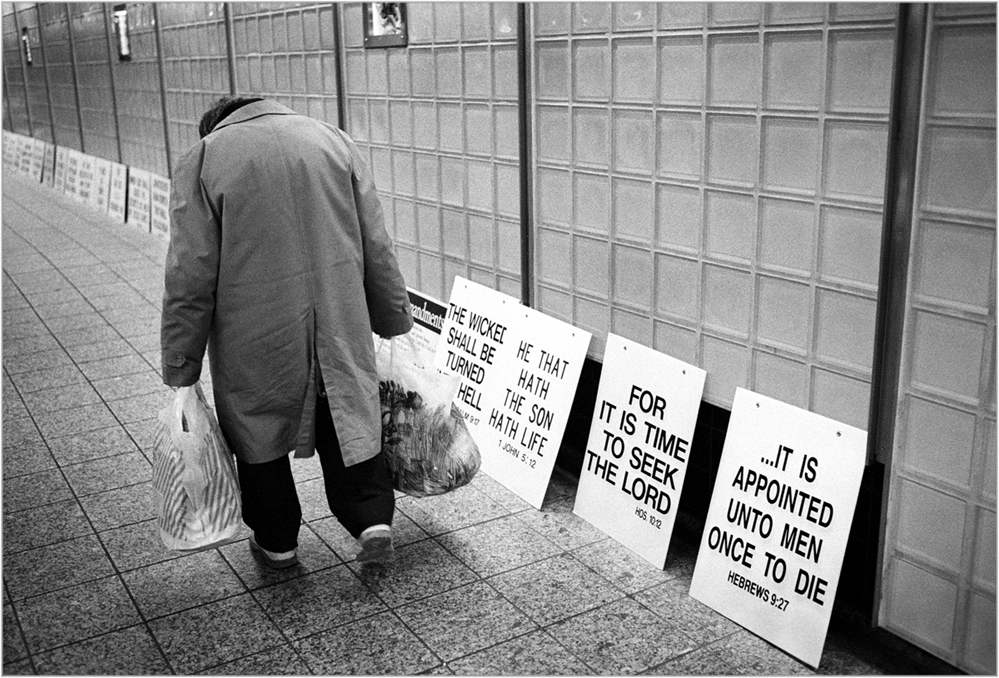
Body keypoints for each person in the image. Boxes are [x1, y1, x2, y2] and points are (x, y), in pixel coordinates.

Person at [160, 96, 413, 569]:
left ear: (213, 126)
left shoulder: (204, 158)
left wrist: (181, 360)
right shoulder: (332, 141)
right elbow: (375, 240)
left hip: (253, 329)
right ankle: (371, 518)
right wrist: (392, 317)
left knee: (258, 427)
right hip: (339, 314)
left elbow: (189, 272)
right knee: (345, 409)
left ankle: (277, 541)